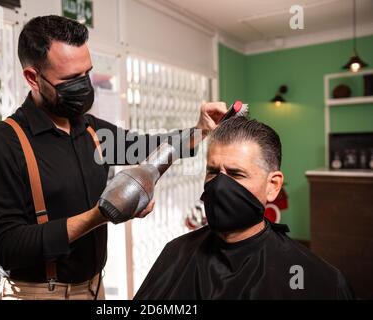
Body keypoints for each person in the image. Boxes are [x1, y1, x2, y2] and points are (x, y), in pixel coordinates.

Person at [0, 15, 226, 300]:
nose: (83, 86)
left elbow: (148, 147)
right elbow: (5, 246)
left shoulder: (90, 129)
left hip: (94, 290)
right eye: (70, 80)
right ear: (33, 78)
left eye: (86, 74)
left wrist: (200, 130)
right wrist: (101, 215)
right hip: (37, 294)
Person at [134, 117, 354, 300]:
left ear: (273, 186)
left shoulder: (318, 279)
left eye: (236, 174)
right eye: (212, 172)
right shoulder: (176, 253)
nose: (220, 186)